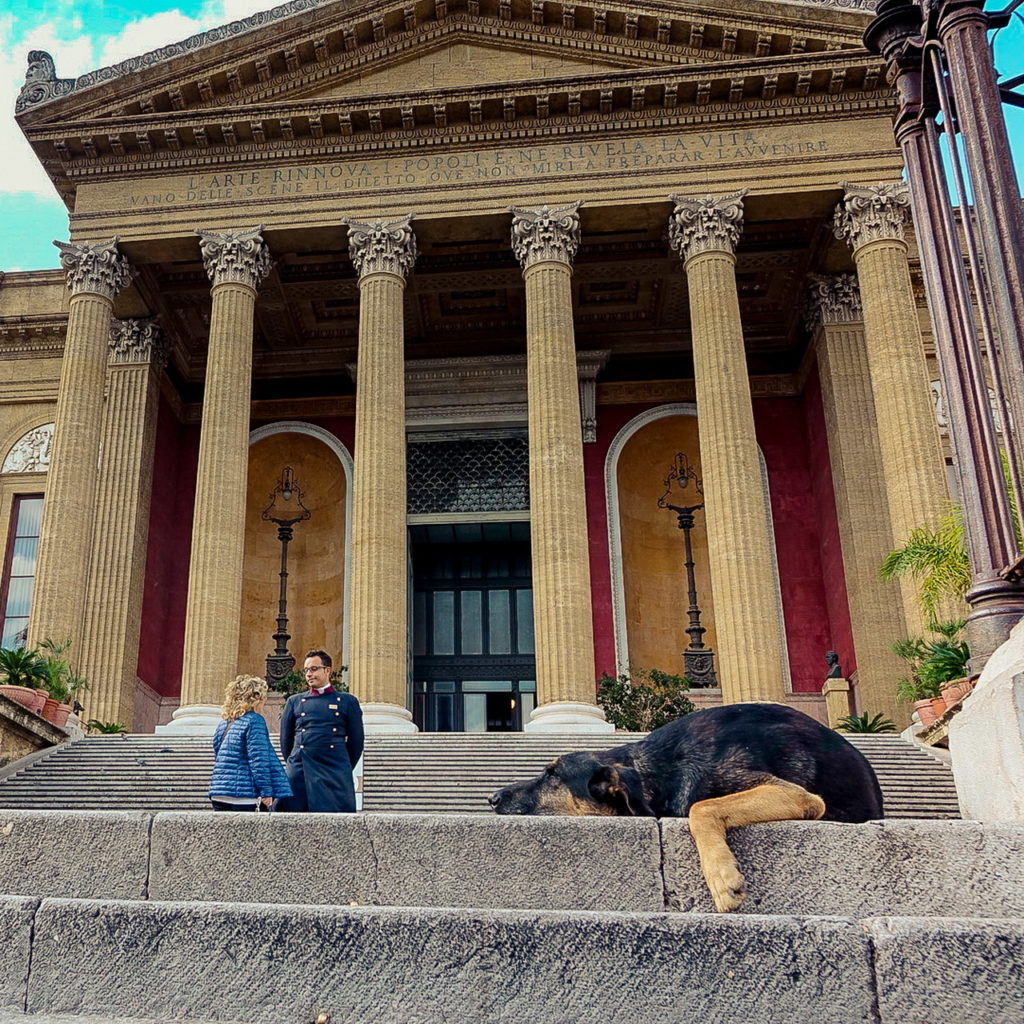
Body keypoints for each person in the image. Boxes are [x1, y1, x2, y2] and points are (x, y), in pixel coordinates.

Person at [274, 649, 364, 813]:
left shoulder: (347, 701)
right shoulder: (294, 702)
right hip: (300, 768)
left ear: (327, 670)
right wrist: (295, 761)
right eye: (306, 670)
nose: (309, 674)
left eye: (314, 669)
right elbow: (286, 740)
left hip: (333, 770)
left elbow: (356, 742)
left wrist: (342, 765)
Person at [209, 674, 292, 811]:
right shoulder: (254, 720)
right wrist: (266, 791)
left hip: (219, 793)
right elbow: (259, 759)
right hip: (245, 796)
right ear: (255, 699)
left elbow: (219, 755)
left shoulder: (224, 724)